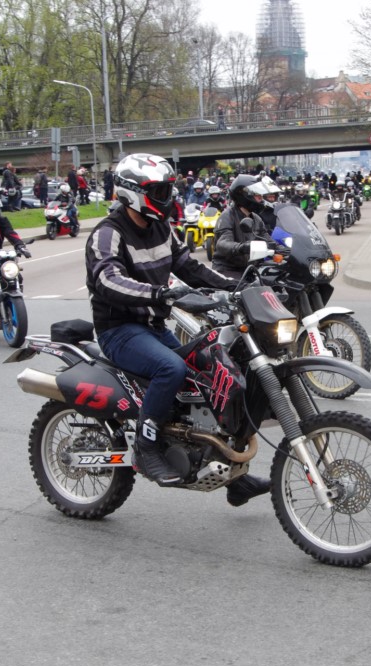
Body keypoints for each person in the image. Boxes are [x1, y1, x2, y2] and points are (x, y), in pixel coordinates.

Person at [86, 153, 268, 506]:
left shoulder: (161, 228)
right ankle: (147, 447)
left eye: (168, 189)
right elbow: (107, 280)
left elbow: (189, 267)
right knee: (170, 369)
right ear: (133, 193)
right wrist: (161, 293)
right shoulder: (108, 234)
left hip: (153, 326)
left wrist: (237, 287)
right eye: (159, 191)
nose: (167, 197)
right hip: (119, 330)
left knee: (211, 371)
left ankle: (231, 473)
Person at [212, 174, 281, 279]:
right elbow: (223, 243)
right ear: (244, 195)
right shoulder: (227, 216)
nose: (261, 198)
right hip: (228, 269)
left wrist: (286, 249)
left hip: (249, 268)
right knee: (244, 287)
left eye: (261, 195)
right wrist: (242, 247)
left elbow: (268, 240)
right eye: (257, 195)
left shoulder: (256, 218)